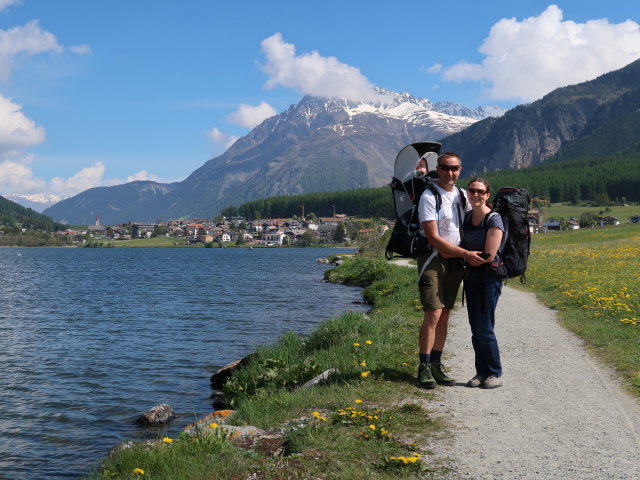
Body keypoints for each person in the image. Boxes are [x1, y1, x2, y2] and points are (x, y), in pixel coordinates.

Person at [416, 153, 484, 389]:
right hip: (433, 259)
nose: (450, 172)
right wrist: (466, 254)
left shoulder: (462, 195)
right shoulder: (429, 196)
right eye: (445, 168)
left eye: (454, 168)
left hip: (455, 261)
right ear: (439, 169)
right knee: (433, 314)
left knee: (444, 314)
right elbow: (433, 237)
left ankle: (436, 364)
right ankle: (423, 367)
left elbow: (480, 213)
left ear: (460, 170)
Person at [460, 177, 505, 389]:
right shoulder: (468, 217)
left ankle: (495, 373)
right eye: (472, 191)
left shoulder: (494, 219)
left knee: (485, 327)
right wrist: (466, 256)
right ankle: (481, 372)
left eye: (480, 191)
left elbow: (489, 254)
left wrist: (467, 256)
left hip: (489, 278)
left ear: (487, 195)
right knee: (474, 327)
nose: (475, 195)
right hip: (471, 277)